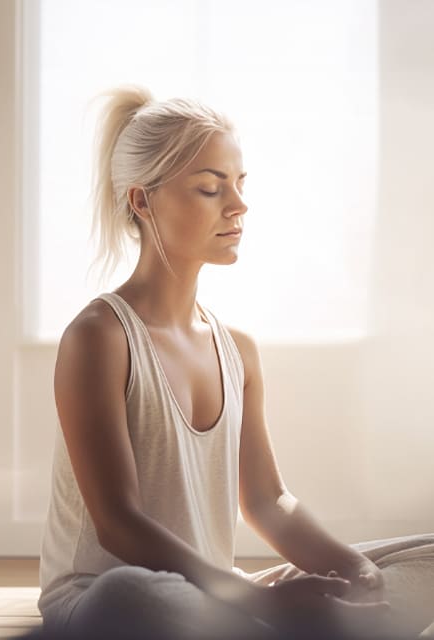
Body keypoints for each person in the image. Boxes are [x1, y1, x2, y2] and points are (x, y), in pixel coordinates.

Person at [37, 85, 434, 640]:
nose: (238, 205)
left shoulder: (238, 349)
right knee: (131, 594)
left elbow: (269, 501)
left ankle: (295, 621)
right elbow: (118, 524)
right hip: (111, 599)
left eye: (240, 184)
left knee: (427, 557)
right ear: (142, 201)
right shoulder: (99, 337)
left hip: (221, 594)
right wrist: (260, 602)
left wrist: (354, 570)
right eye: (209, 188)